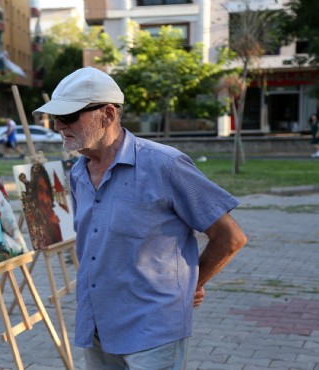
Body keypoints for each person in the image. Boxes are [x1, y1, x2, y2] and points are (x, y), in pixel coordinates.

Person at [33, 67, 247, 369]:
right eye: (54, 117)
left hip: (153, 330)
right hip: (96, 327)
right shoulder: (79, 173)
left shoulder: (165, 164)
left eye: (67, 116)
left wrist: (191, 285)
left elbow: (231, 237)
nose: (56, 125)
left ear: (107, 114)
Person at [28, 163, 62, 248]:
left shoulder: (53, 221)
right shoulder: (34, 223)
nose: (46, 200)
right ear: (33, 193)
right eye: (40, 191)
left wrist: (55, 227)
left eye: (47, 192)